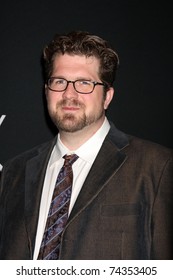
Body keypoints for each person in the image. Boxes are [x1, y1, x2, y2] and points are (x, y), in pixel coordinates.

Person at [0, 31, 173, 260]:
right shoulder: (13, 173)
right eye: (59, 81)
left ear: (107, 96)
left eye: (84, 83)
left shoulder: (158, 167)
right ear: (46, 91)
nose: (69, 94)